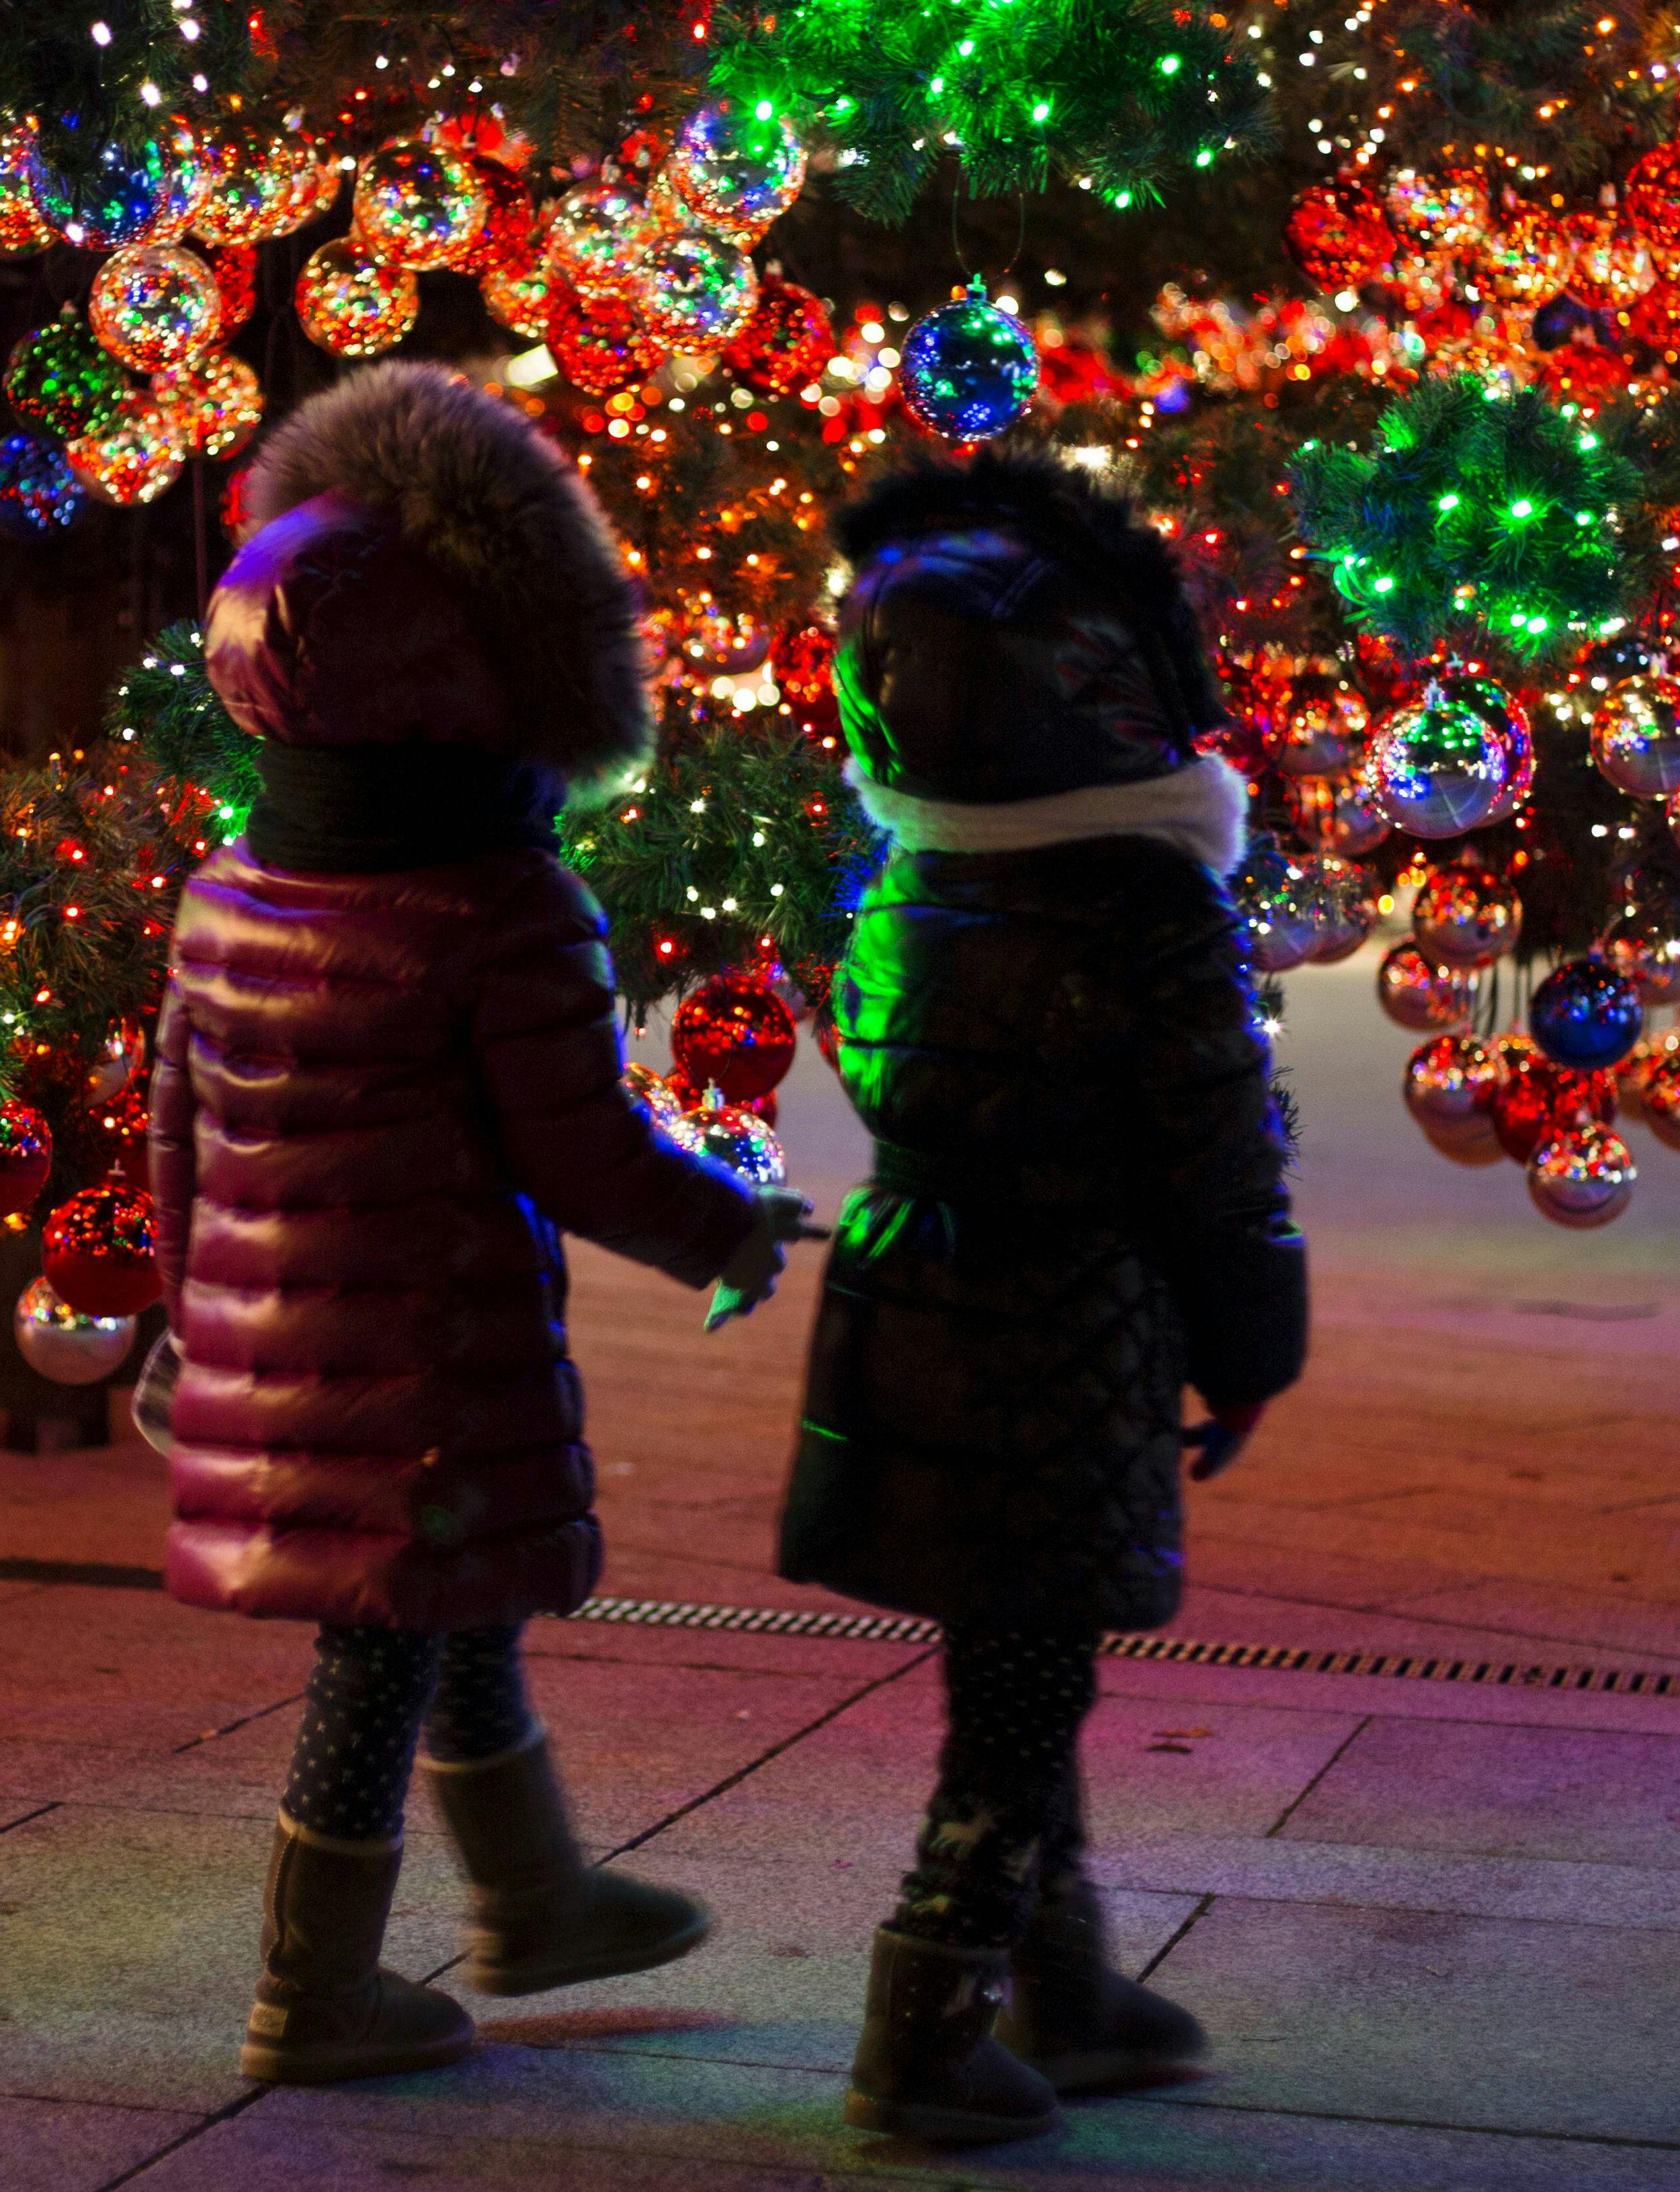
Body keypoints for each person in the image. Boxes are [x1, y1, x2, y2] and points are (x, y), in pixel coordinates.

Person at [149, 360, 813, 2086]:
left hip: (279, 1325)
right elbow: (581, 1148)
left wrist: (182, 1311)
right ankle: (316, 1987)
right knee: (385, 1637)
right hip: (422, 1349)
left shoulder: (234, 887)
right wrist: (726, 1231)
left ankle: (533, 1893)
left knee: (451, 1600)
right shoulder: (501, 901)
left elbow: (176, 1128)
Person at [769, 450, 1308, 2146]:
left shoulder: (912, 885)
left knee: (1010, 1656)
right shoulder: (1148, 906)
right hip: (1071, 1330)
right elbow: (1222, 1156)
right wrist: (1255, 1342)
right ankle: (924, 2025)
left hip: (912, 1308)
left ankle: (1065, 1987)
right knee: (1020, 1697)